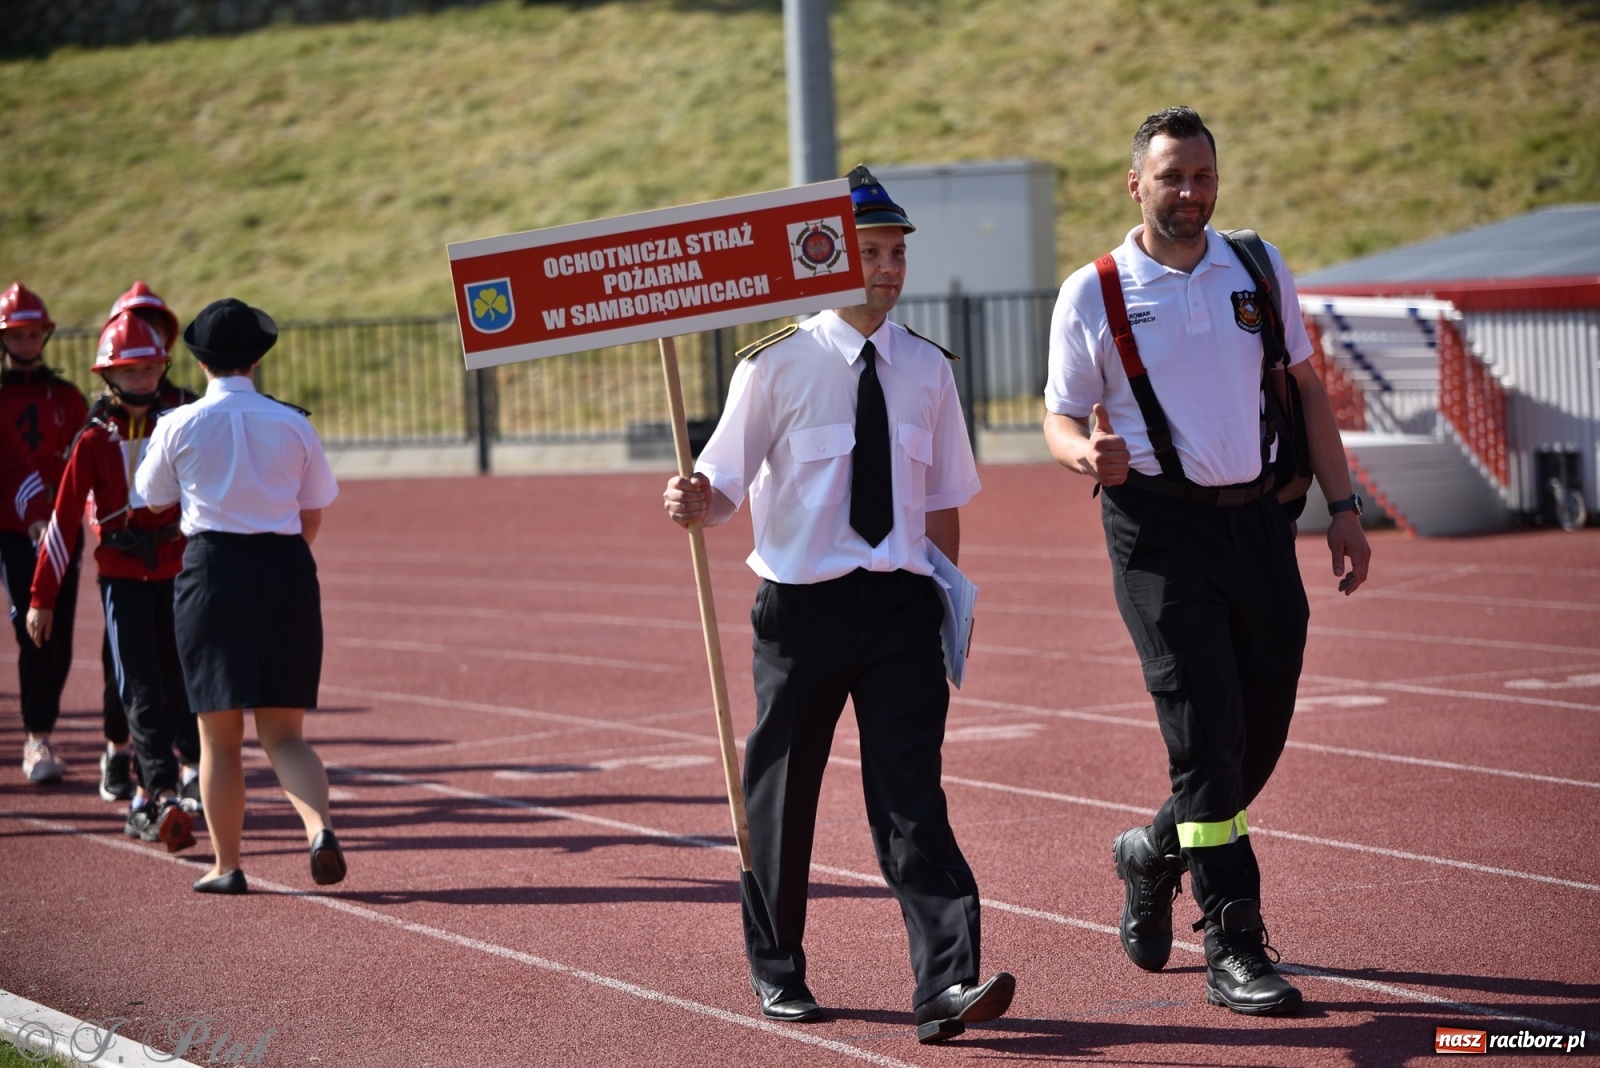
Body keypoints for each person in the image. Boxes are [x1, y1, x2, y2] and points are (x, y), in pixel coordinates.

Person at [663, 166, 1013, 1044]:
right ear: (823, 260)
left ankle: (948, 981)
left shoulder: (928, 369)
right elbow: (722, 482)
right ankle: (778, 970)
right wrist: (694, 497)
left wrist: (945, 603)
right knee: (783, 797)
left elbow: (943, 503)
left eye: (897, 253)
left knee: (913, 796)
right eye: (871, 253)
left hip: (901, 609)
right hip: (802, 611)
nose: (889, 268)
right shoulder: (774, 365)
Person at [1043, 106, 1372, 1016]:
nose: (1190, 192)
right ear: (1135, 185)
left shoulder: (1256, 267)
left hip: (1260, 523)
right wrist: (1085, 454)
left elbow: (1306, 390)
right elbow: (1059, 417)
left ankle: (1152, 852)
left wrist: (1344, 509)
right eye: (1172, 177)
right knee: (1203, 733)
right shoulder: (1094, 291)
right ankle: (1235, 940)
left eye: (1203, 176)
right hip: (1157, 535)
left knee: (1255, 734)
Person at [133, 297, 344, 896]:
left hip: (211, 573)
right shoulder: (292, 423)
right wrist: (282, 558)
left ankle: (227, 865)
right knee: (286, 735)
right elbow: (312, 512)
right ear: (257, 359)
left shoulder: (177, 424)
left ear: (200, 362)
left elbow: (150, 496)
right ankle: (319, 829)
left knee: (218, 739)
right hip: (286, 569)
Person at [28, 313, 200, 854]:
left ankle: (146, 797)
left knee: (172, 685)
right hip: (122, 580)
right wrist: (42, 596)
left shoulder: (180, 425)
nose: (143, 379)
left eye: (150, 368)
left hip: (175, 574)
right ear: (108, 376)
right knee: (140, 689)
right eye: (130, 371)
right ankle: (164, 794)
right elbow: (61, 523)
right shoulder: (92, 440)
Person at [89, 282, 202, 806]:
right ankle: (118, 751)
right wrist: (109, 531)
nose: (145, 337)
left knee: (180, 665)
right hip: (123, 565)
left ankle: (188, 766)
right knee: (126, 675)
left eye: (155, 328)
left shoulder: (185, 406)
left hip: (177, 560)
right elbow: (88, 491)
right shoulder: (100, 421)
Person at [0, 282, 89, 785]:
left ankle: (41, 732)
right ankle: (36, 739)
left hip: (60, 528)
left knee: (57, 636)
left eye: (34, 333)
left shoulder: (68, 398)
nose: (26, 342)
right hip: (10, 530)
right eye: (17, 334)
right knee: (29, 628)